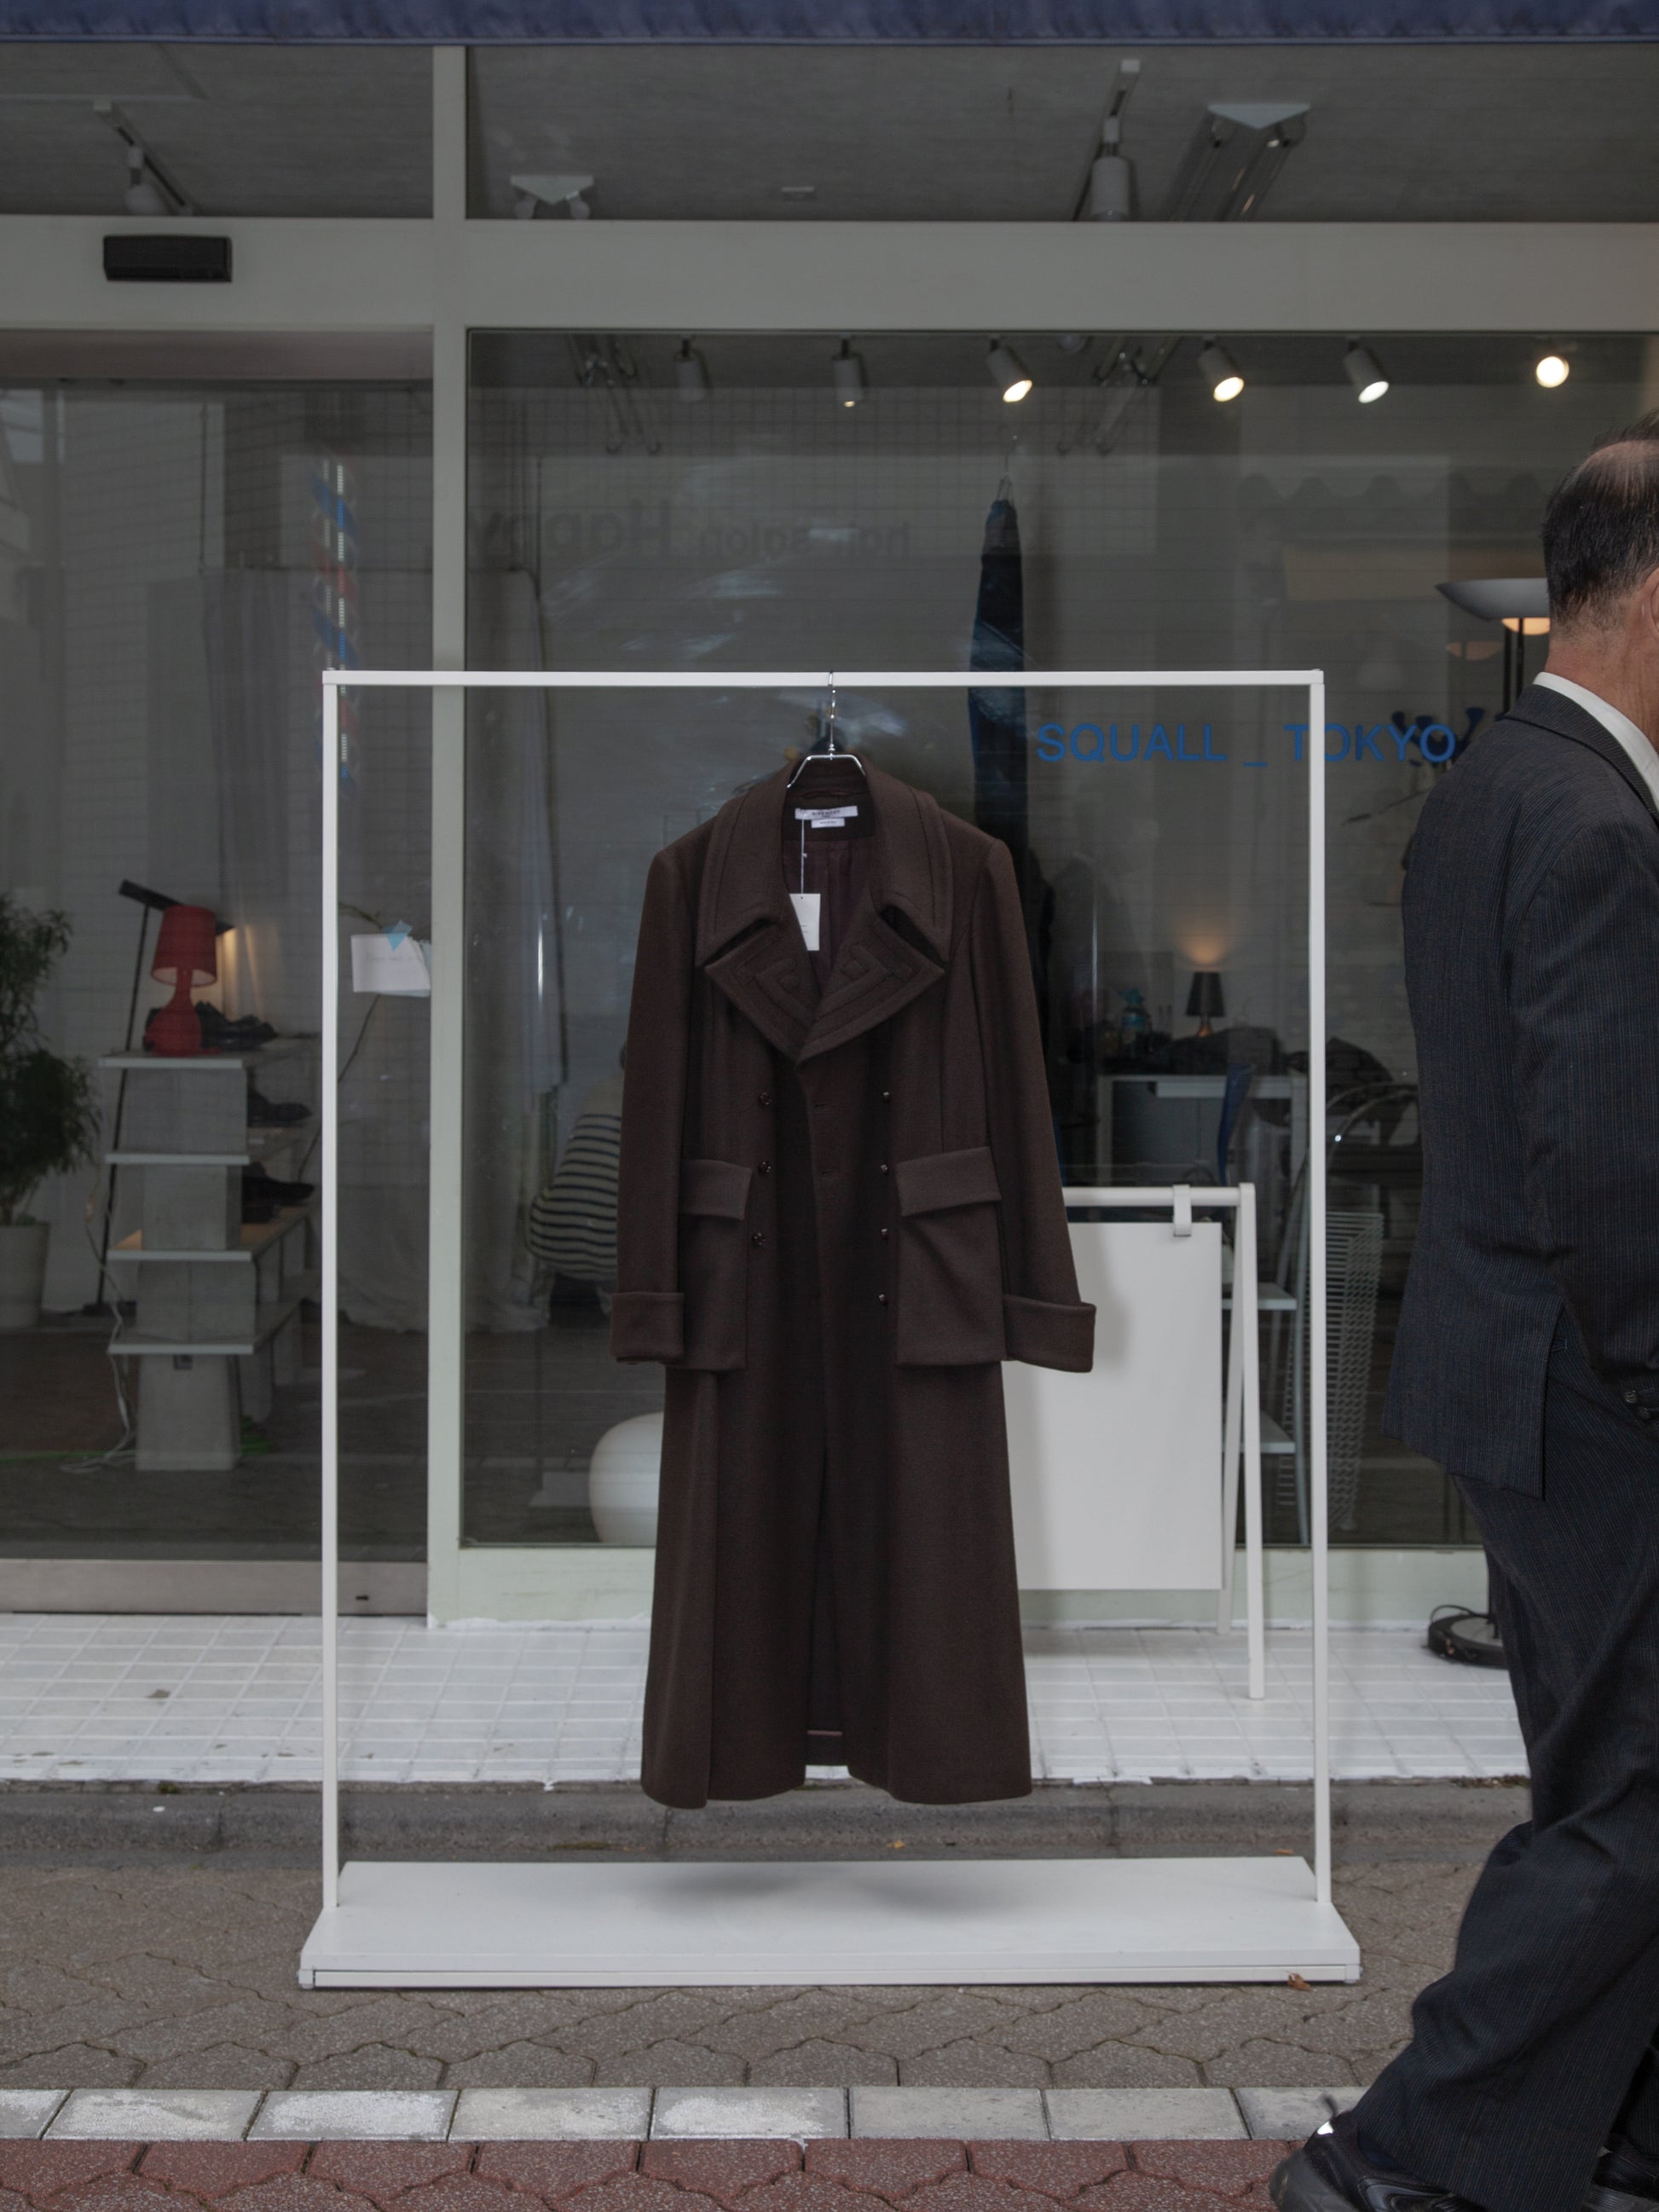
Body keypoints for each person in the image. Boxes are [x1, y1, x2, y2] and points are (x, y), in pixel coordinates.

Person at [1273, 414, 1659, 2212]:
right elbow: (1605, 1163)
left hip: (1527, 1375)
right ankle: (1402, 2162)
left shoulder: (1499, 782)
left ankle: (1617, 2136)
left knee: (1611, 1781)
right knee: (1633, 1801)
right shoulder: (1590, 820)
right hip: (1597, 1388)